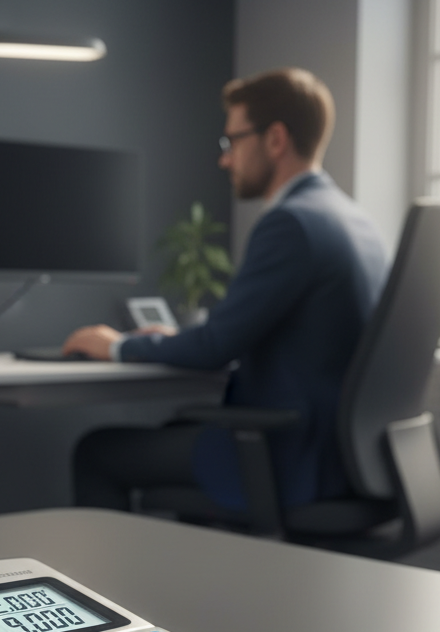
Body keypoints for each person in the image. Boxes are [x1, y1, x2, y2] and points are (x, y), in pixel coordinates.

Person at [64, 67, 389, 516]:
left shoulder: (291, 223)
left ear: (275, 139)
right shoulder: (353, 219)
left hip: (290, 459)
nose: (225, 159)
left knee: (97, 452)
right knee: (177, 428)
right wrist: (173, 340)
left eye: (232, 142)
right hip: (348, 459)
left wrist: (117, 346)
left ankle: (101, 590)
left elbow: (215, 346)